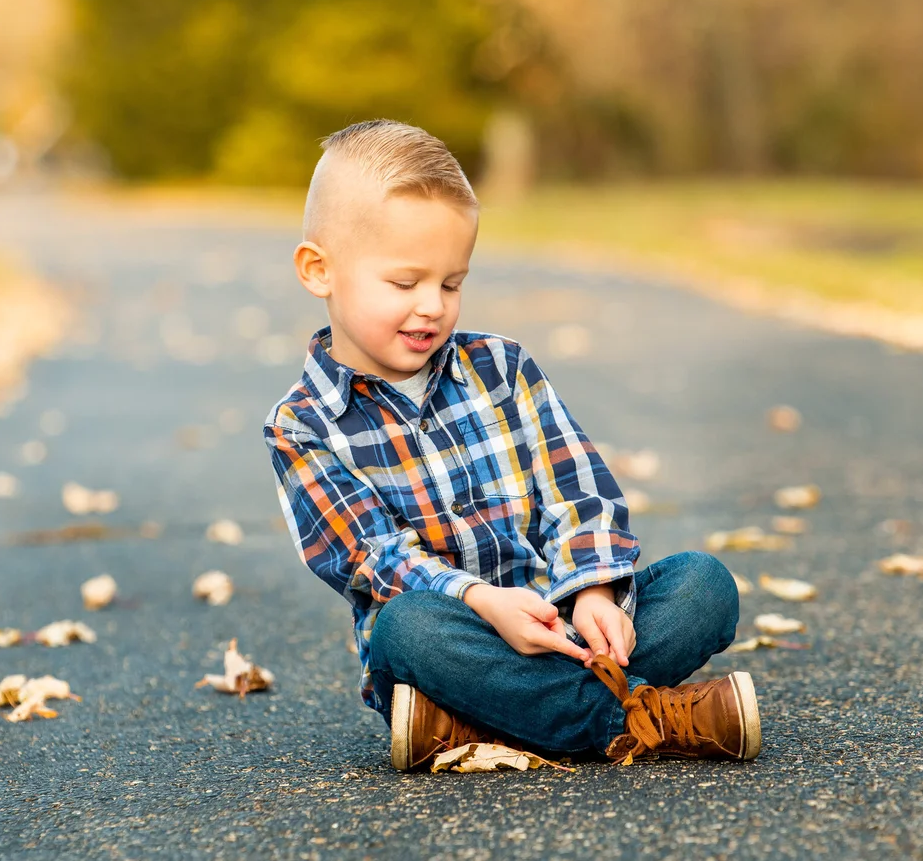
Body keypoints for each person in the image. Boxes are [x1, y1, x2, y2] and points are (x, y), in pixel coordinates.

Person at [261, 119, 759, 771]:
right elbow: (371, 556)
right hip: (457, 640)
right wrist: (484, 601)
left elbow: (576, 489)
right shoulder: (301, 424)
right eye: (405, 283)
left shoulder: (502, 368)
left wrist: (593, 591)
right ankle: (647, 718)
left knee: (705, 585)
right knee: (402, 627)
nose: (432, 307)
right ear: (319, 270)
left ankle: (476, 723)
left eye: (451, 282)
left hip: (565, 622)